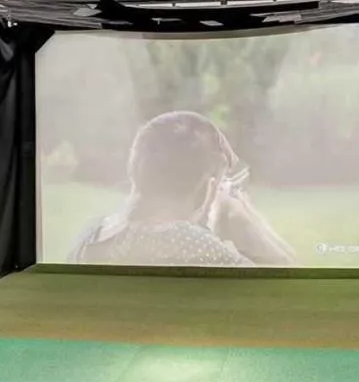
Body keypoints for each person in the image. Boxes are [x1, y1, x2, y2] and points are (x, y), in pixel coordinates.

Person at [69, 110, 297, 266]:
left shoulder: (90, 235)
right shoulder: (195, 246)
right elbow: (290, 289)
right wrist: (245, 225)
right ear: (207, 188)